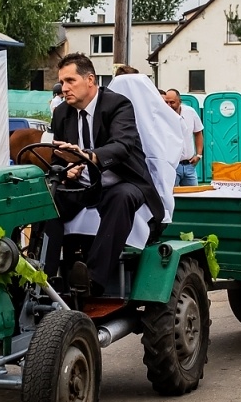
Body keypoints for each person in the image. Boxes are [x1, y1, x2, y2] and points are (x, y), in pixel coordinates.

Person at [47, 53, 162, 293]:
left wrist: (89, 157)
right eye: (62, 83)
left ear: (90, 80)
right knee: (45, 199)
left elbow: (122, 145)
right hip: (83, 184)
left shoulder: (118, 105)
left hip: (121, 180)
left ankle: (92, 279)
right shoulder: (61, 113)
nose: (63, 88)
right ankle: (43, 278)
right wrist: (68, 170)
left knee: (121, 198)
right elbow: (58, 156)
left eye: (70, 81)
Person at [162, 88, 205, 186]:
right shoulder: (162, 115)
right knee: (173, 197)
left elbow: (198, 132)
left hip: (189, 165)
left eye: (172, 102)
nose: (169, 105)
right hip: (172, 166)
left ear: (179, 102)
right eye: (166, 102)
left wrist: (199, 155)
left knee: (194, 197)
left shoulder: (190, 112)